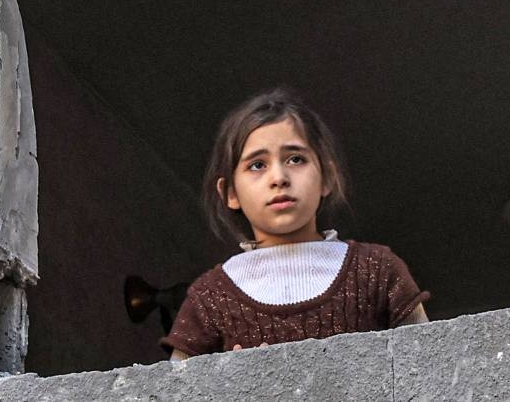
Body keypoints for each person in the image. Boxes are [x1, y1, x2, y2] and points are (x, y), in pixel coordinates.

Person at [162, 88, 429, 360]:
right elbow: (174, 389)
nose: (279, 177)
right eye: (257, 165)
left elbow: (430, 366)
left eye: (295, 159)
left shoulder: (378, 272)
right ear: (230, 192)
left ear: (326, 177)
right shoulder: (210, 299)